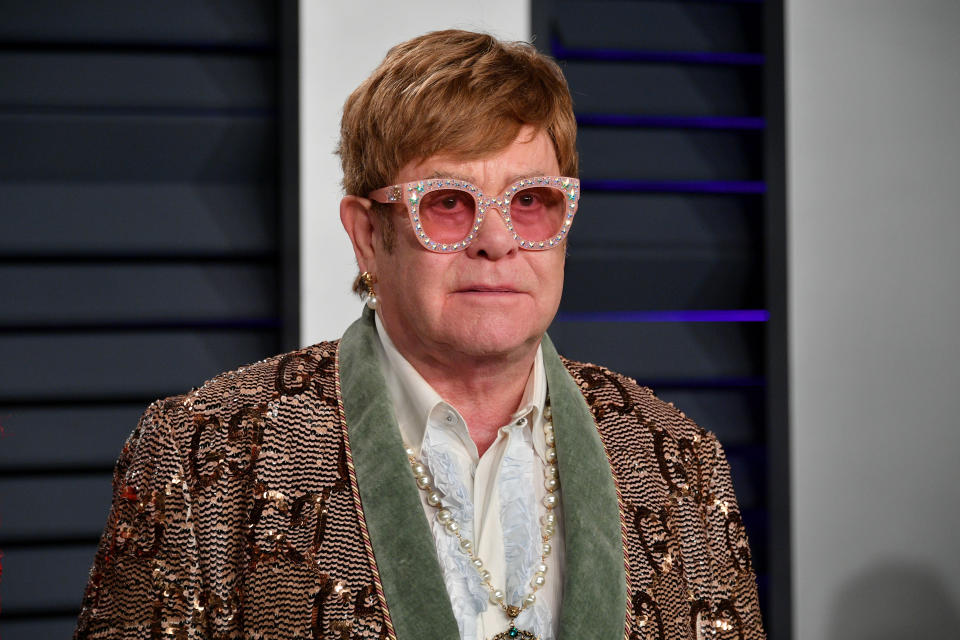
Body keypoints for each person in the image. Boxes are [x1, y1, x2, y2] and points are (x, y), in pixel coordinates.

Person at [75, 29, 764, 640]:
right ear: (368, 235)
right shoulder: (203, 458)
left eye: (530, 201)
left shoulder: (678, 459)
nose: (496, 241)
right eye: (447, 203)